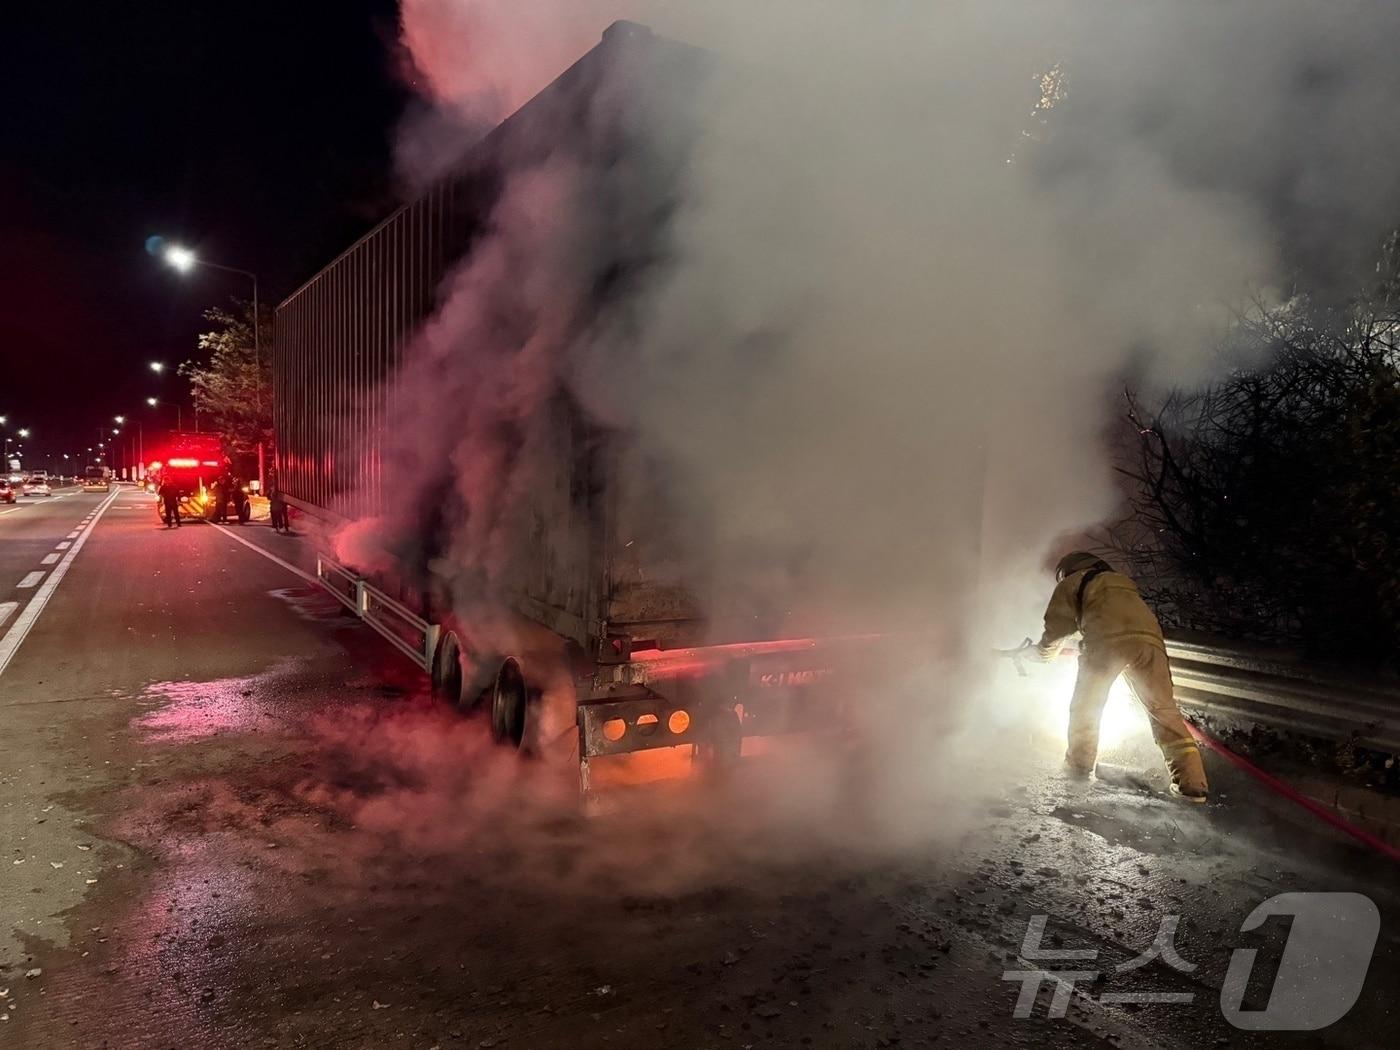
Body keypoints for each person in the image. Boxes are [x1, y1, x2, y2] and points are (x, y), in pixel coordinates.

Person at [1036, 551, 1209, 803]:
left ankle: (1078, 769)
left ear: (1068, 571)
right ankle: (1192, 786)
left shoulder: (1073, 581)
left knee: (1087, 707)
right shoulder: (1123, 583)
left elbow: (1057, 627)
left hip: (1107, 643)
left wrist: (1042, 654)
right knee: (1164, 711)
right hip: (1151, 645)